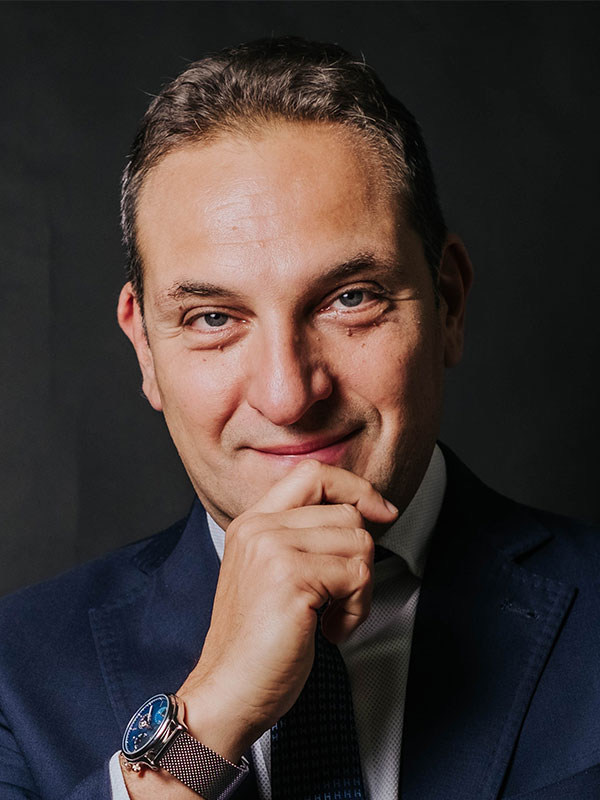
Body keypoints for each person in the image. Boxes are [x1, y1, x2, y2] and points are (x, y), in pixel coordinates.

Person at [1, 36, 599, 800]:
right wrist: (205, 722)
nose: (288, 396)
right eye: (213, 317)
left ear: (448, 302)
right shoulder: (14, 672)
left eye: (351, 299)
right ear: (145, 347)